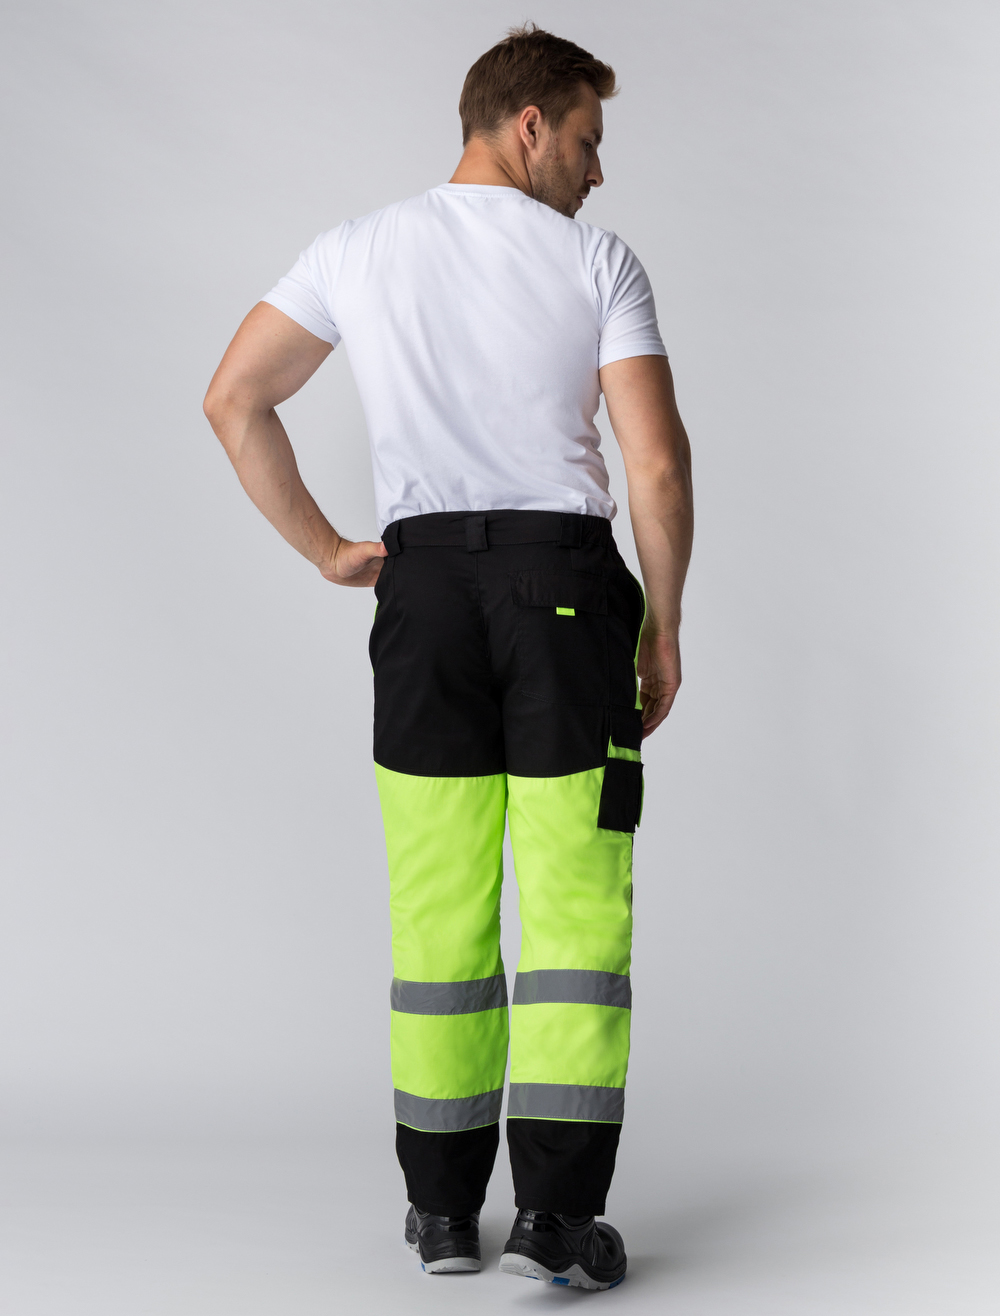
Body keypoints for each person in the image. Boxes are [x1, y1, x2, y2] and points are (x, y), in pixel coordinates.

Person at [203, 23, 693, 1292]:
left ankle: (437, 1210)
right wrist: (662, 622)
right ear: (528, 126)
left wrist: (329, 550)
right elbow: (653, 463)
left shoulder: (355, 249)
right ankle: (556, 1219)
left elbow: (233, 397)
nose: (596, 169)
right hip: (563, 597)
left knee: (436, 901)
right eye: (585, 139)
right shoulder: (594, 260)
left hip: (419, 597)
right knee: (573, 904)